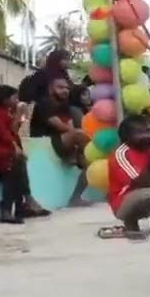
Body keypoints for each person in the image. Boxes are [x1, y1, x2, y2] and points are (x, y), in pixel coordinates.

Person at [0, 79, 48, 223]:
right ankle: (22, 203)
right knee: (14, 159)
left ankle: (11, 208)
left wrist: (14, 146)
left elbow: (5, 132)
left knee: (16, 160)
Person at [28, 76, 91, 206]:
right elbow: (60, 126)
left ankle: (75, 197)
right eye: (60, 87)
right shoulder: (44, 103)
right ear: (51, 89)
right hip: (48, 139)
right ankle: (77, 156)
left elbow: (70, 125)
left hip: (63, 140)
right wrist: (75, 133)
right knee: (80, 134)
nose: (65, 91)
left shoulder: (65, 106)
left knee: (90, 165)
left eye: (67, 88)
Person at [100, 114, 150, 239]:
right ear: (127, 136)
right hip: (123, 202)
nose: (146, 136)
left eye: (148, 131)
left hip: (147, 191)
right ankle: (130, 223)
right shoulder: (121, 154)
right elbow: (140, 181)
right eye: (139, 132)